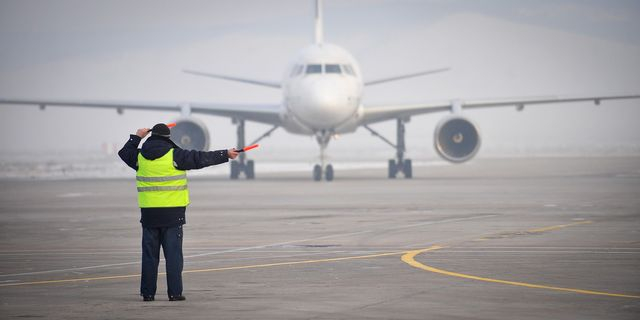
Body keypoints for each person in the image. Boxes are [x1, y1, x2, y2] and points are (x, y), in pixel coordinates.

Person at [118, 123, 239, 302]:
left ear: (152, 137)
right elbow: (202, 158)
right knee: (173, 257)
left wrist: (136, 137)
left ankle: (148, 293)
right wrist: (225, 154)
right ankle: (174, 293)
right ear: (168, 138)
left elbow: (124, 153)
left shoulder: (139, 158)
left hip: (149, 216)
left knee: (149, 257)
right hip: (173, 216)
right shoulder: (175, 155)